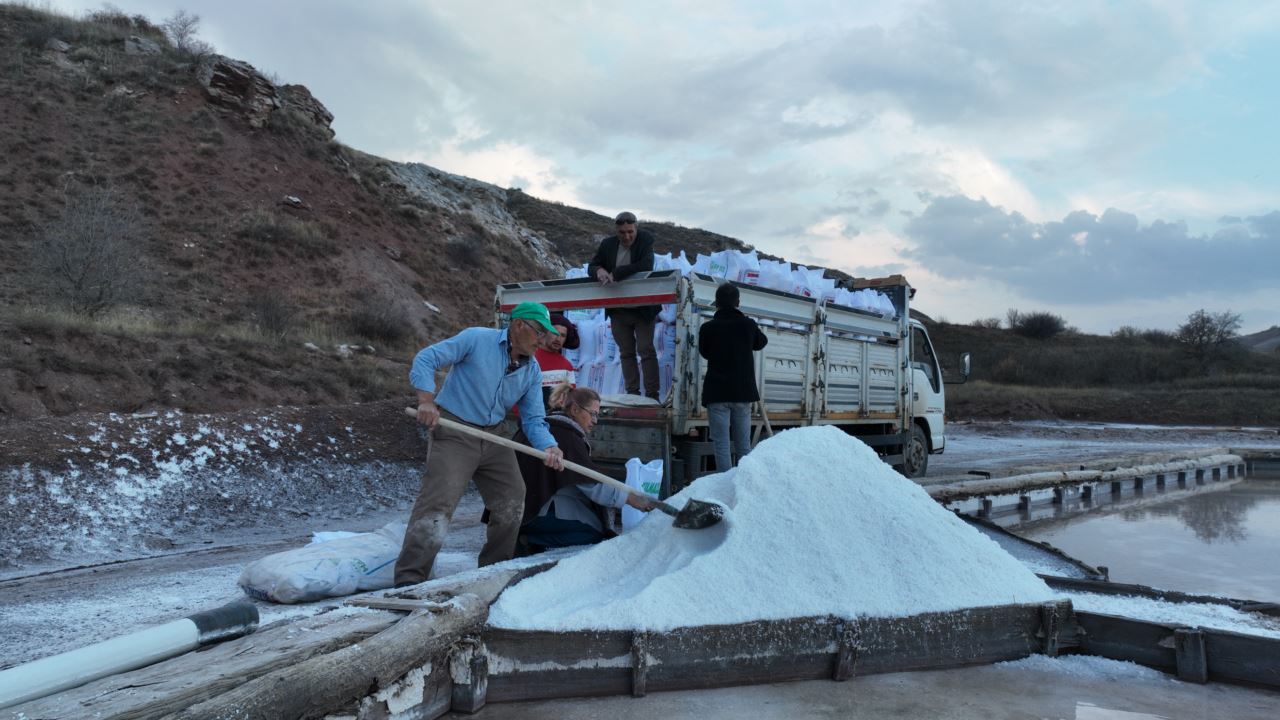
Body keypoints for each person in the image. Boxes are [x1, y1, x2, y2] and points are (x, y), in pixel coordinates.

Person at [394, 301, 567, 587]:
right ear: (519, 324)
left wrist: (549, 446)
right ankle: (409, 580)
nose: (543, 340)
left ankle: (492, 573)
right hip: (455, 430)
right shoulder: (476, 339)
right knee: (438, 505)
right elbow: (426, 359)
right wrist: (426, 401)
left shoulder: (532, 370)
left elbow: (534, 419)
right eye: (539, 332)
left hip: (495, 434)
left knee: (512, 499)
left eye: (545, 334)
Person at [515, 384, 655, 552]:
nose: (595, 421)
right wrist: (630, 499)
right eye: (593, 414)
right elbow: (590, 484)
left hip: (519, 506)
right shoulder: (566, 436)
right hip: (534, 512)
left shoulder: (545, 427)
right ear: (574, 410)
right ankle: (530, 539)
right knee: (596, 533)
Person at [587, 211, 660, 399]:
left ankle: (652, 395)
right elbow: (592, 265)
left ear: (636, 228)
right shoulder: (608, 244)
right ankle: (633, 394)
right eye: (622, 233)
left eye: (630, 232)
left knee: (646, 350)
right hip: (619, 310)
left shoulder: (645, 239)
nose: (627, 236)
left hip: (643, 308)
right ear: (616, 231)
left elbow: (646, 265)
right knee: (626, 353)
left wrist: (617, 273)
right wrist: (600, 271)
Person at [698, 282, 768, 472]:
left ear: (716, 303)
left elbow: (704, 352)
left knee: (721, 446)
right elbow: (762, 342)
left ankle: (725, 486)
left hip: (717, 393)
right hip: (741, 393)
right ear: (738, 302)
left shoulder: (708, 328)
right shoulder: (747, 325)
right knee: (743, 446)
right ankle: (744, 485)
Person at [534, 312, 579, 409]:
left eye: (563, 335)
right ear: (545, 332)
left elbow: (570, 399)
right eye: (554, 333)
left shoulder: (567, 366)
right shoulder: (530, 359)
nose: (558, 339)